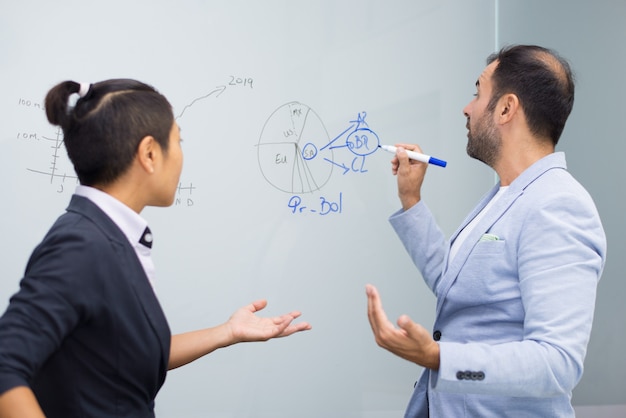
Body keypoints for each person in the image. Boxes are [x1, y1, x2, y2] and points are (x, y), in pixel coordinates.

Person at [0, 79, 311, 418]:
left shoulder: (106, 235)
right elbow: (5, 364)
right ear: (149, 153)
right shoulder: (82, 245)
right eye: (178, 141)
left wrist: (227, 332)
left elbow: (122, 356)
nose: (180, 154)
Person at [365, 45, 606, 417]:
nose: (468, 107)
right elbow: (454, 283)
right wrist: (411, 199)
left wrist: (440, 357)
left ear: (507, 108)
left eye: (478, 93)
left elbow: (557, 362)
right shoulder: (503, 195)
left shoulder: (557, 204)